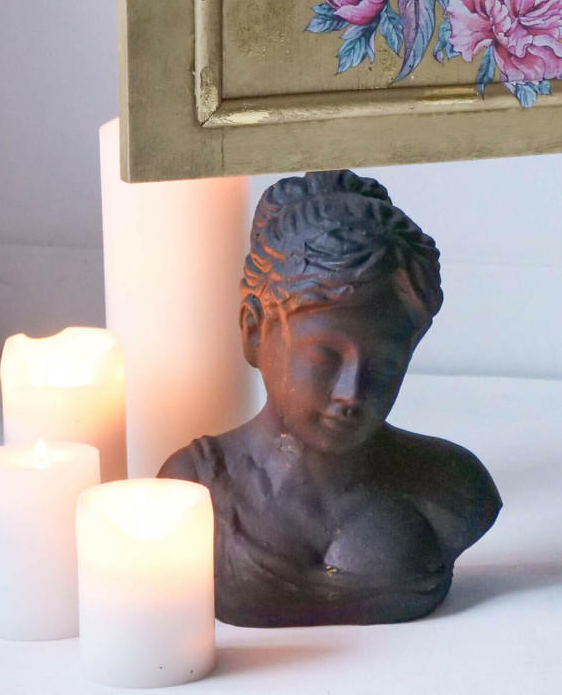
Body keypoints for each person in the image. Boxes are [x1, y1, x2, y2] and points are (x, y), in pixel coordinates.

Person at [160, 170, 500, 627]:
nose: (351, 393)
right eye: (323, 358)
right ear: (254, 330)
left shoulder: (456, 486)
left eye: (385, 363)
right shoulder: (192, 488)